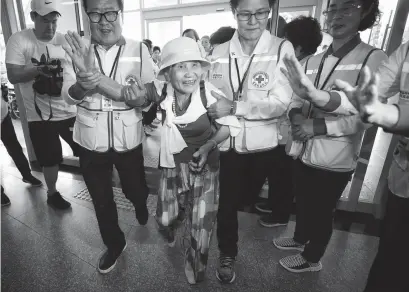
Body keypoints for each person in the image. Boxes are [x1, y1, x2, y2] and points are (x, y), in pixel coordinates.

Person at [273, 0, 387, 273]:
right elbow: (294, 99)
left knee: (322, 210)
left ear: (366, 12)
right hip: (302, 147)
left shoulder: (373, 58)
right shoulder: (314, 59)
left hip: (335, 155)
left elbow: (367, 114)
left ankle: (312, 258)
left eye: (347, 9)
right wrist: (298, 118)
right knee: (303, 199)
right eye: (332, 9)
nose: (336, 16)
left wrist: (318, 128)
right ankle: (300, 238)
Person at [61, 0, 157, 274]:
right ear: (86, 15)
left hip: (129, 138)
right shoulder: (76, 49)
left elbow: (152, 91)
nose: (104, 20)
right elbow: (67, 96)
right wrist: (82, 87)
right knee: (101, 200)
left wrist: (142, 98)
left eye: (110, 12)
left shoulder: (139, 48)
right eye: (95, 13)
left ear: (120, 13)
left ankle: (139, 202)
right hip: (90, 140)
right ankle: (114, 245)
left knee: (135, 189)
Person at [208, 0, 295, 283]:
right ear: (234, 14)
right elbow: (208, 93)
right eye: (245, 13)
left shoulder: (281, 49)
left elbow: (280, 103)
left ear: (268, 14)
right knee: (227, 204)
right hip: (228, 144)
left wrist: (236, 107)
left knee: (246, 198)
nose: (253, 20)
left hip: (263, 146)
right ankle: (227, 252)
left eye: (260, 13)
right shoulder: (219, 52)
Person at [151, 37, 241, 285]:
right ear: (168, 73)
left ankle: (195, 269)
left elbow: (228, 127)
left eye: (194, 66)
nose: (189, 74)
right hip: (172, 166)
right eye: (181, 66)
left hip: (206, 169)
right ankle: (177, 224)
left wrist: (208, 145)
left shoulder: (209, 93)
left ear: (203, 69)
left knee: (201, 226)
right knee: (164, 218)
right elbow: (137, 97)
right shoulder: (162, 91)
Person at [333, 42, 409, 292]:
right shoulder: (406, 50)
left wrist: (392, 116)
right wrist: (323, 97)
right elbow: (373, 91)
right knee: (390, 256)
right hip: (403, 176)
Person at [5, 0, 79, 210]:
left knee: (86, 151)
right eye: (45, 21)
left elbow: (80, 72)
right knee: (49, 159)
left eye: (54, 21)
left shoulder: (65, 40)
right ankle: (53, 193)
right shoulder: (19, 40)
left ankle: (96, 187)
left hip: (69, 110)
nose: (50, 27)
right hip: (39, 115)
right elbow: (13, 75)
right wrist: (39, 69)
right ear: (33, 17)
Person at [257, 16, 323, 227]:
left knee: (282, 175)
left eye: (287, 41)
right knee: (278, 172)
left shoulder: (302, 68)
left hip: (290, 131)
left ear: (299, 48)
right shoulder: (305, 64)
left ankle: (280, 214)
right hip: (285, 129)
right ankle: (275, 204)